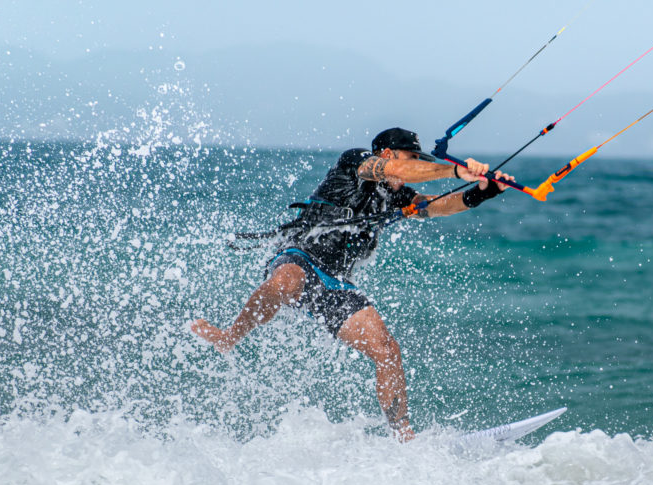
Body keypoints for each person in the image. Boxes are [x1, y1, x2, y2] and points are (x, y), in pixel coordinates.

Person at [191, 127, 513, 441]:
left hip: (335, 284)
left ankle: (404, 439)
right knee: (286, 281)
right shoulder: (356, 163)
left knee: (387, 350)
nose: (414, 163)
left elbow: (435, 206)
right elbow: (401, 169)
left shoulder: (396, 193)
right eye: (411, 156)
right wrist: (457, 171)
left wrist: (484, 191)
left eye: (418, 158)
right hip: (300, 255)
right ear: (386, 154)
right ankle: (229, 336)